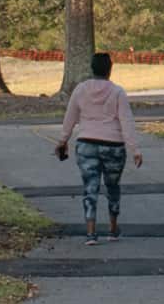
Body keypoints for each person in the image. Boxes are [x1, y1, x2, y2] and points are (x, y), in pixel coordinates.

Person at [55, 52, 143, 245]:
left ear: (92, 69)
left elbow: (70, 118)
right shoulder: (118, 92)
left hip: (86, 144)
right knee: (113, 187)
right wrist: (135, 149)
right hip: (113, 146)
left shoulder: (80, 90)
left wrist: (62, 141)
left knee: (90, 188)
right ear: (110, 70)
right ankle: (112, 229)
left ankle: (90, 233)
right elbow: (126, 122)